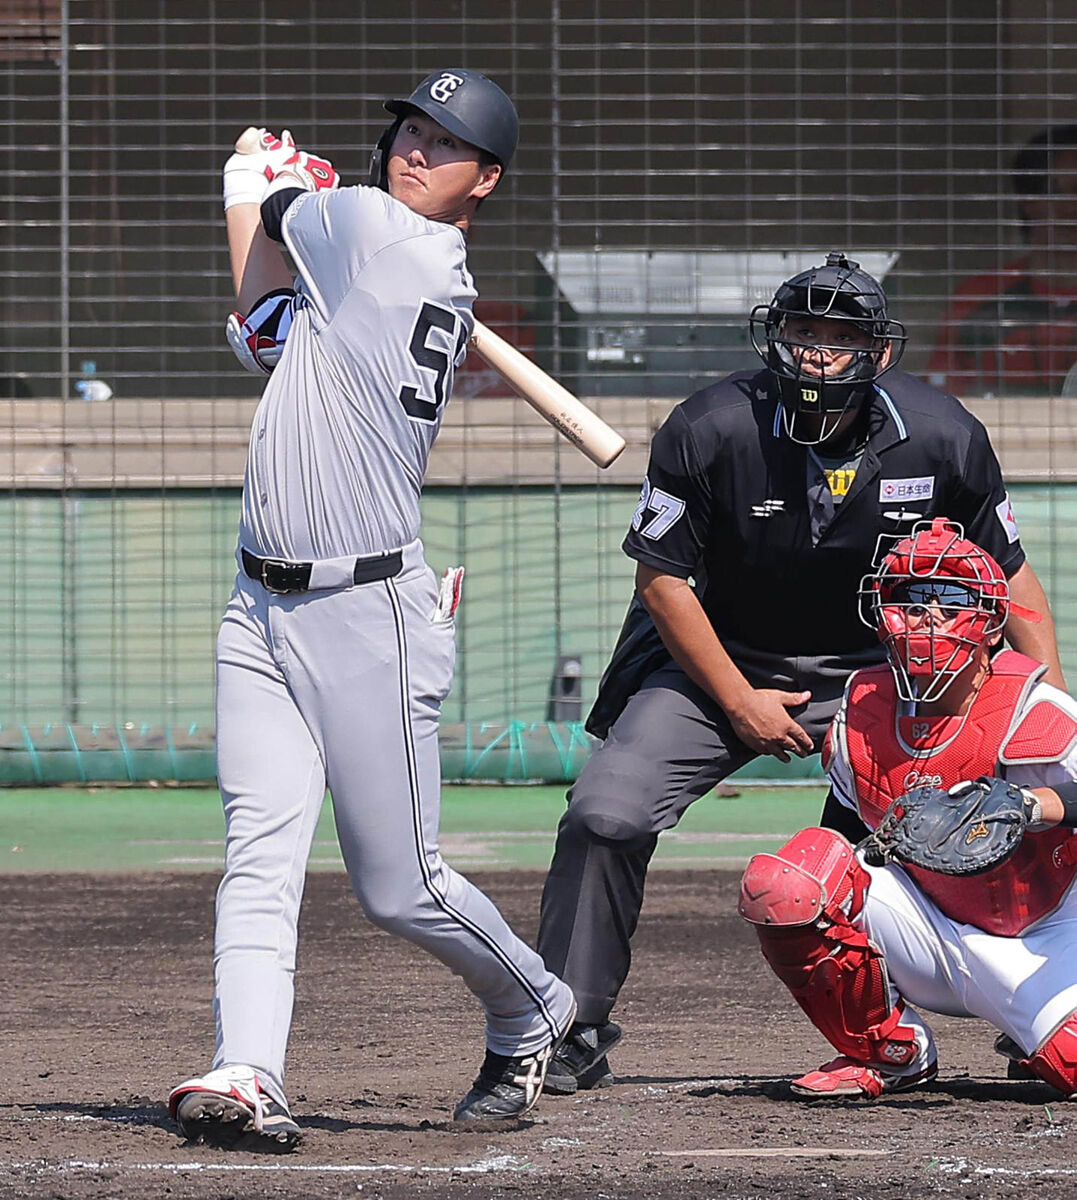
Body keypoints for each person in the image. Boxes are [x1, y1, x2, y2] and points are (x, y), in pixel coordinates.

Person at [535, 252, 1064, 1096]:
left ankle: (1020, 1005)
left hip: (891, 678)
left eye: (840, 335)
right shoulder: (708, 425)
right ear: (774, 338)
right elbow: (661, 581)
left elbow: (1008, 577)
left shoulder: (941, 431)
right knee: (604, 812)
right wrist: (737, 700)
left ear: (878, 351)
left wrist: (1046, 707)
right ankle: (567, 1022)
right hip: (721, 661)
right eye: (802, 331)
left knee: (1006, 803)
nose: (817, 351)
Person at [167, 69, 576, 1152]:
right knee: (260, 851)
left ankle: (534, 1002)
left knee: (401, 888)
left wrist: (256, 183)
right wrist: (260, 196)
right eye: (410, 128)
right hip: (259, 603)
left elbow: (278, 228)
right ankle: (247, 1069)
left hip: (371, 614)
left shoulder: (380, 237)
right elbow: (259, 331)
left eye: (446, 143)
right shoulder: (372, 253)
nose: (414, 147)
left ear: (485, 179)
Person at [738, 518, 1077, 1098]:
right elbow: (841, 840)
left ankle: (1035, 1035)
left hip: (1043, 933)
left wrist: (1027, 804)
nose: (928, 615)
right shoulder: (862, 706)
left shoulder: (1032, 705)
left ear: (993, 624)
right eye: (911, 598)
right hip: (927, 921)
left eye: (949, 599)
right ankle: (891, 1050)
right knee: (788, 882)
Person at [928, 124, 1077, 397]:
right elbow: (942, 400)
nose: (1071, 205)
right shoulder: (979, 298)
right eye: (1055, 190)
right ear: (1028, 201)